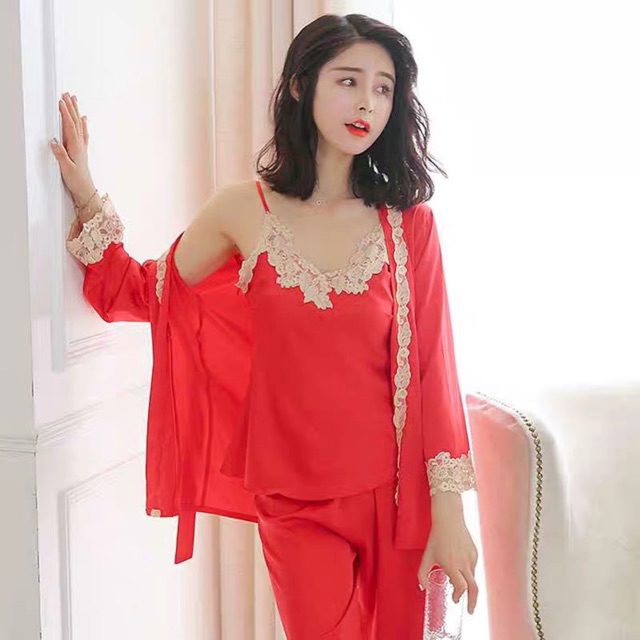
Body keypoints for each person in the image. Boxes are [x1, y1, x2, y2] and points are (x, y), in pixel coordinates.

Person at [51, 13, 479, 639]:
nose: (367, 102)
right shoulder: (241, 210)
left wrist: (450, 510)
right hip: (292, 499)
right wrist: (86, 194)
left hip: (397, 497)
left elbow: (436, 369)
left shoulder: (407, 224)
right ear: (302, 85)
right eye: (349, 80)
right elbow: (146, 293)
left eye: (383, 88)